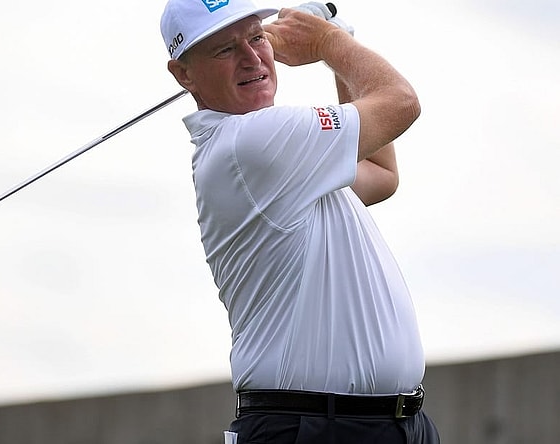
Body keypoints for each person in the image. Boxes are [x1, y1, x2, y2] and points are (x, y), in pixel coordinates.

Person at [160, 0, 440, 443]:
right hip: (313, 427)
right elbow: (401, 103)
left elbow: (381, 175)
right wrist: (330, 42)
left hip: (386, 424)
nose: (252, 59)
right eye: (224, 50)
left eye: (256, 38)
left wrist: (339, 48)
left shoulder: (284, 158)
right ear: (184, 74)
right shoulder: (250, 142)